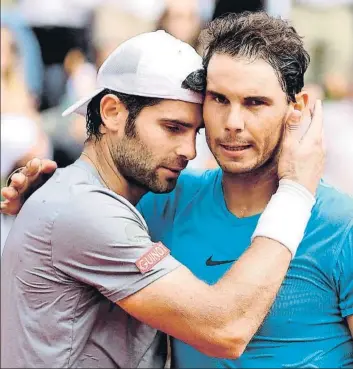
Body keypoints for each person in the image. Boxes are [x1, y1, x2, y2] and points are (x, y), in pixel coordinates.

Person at [0, 28, 325, 369]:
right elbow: (224, 328)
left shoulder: (81, 197)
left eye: (195, 132)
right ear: (111, 111)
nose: (189, 150)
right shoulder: (83, 210)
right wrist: (296, 190)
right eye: (173, 128)